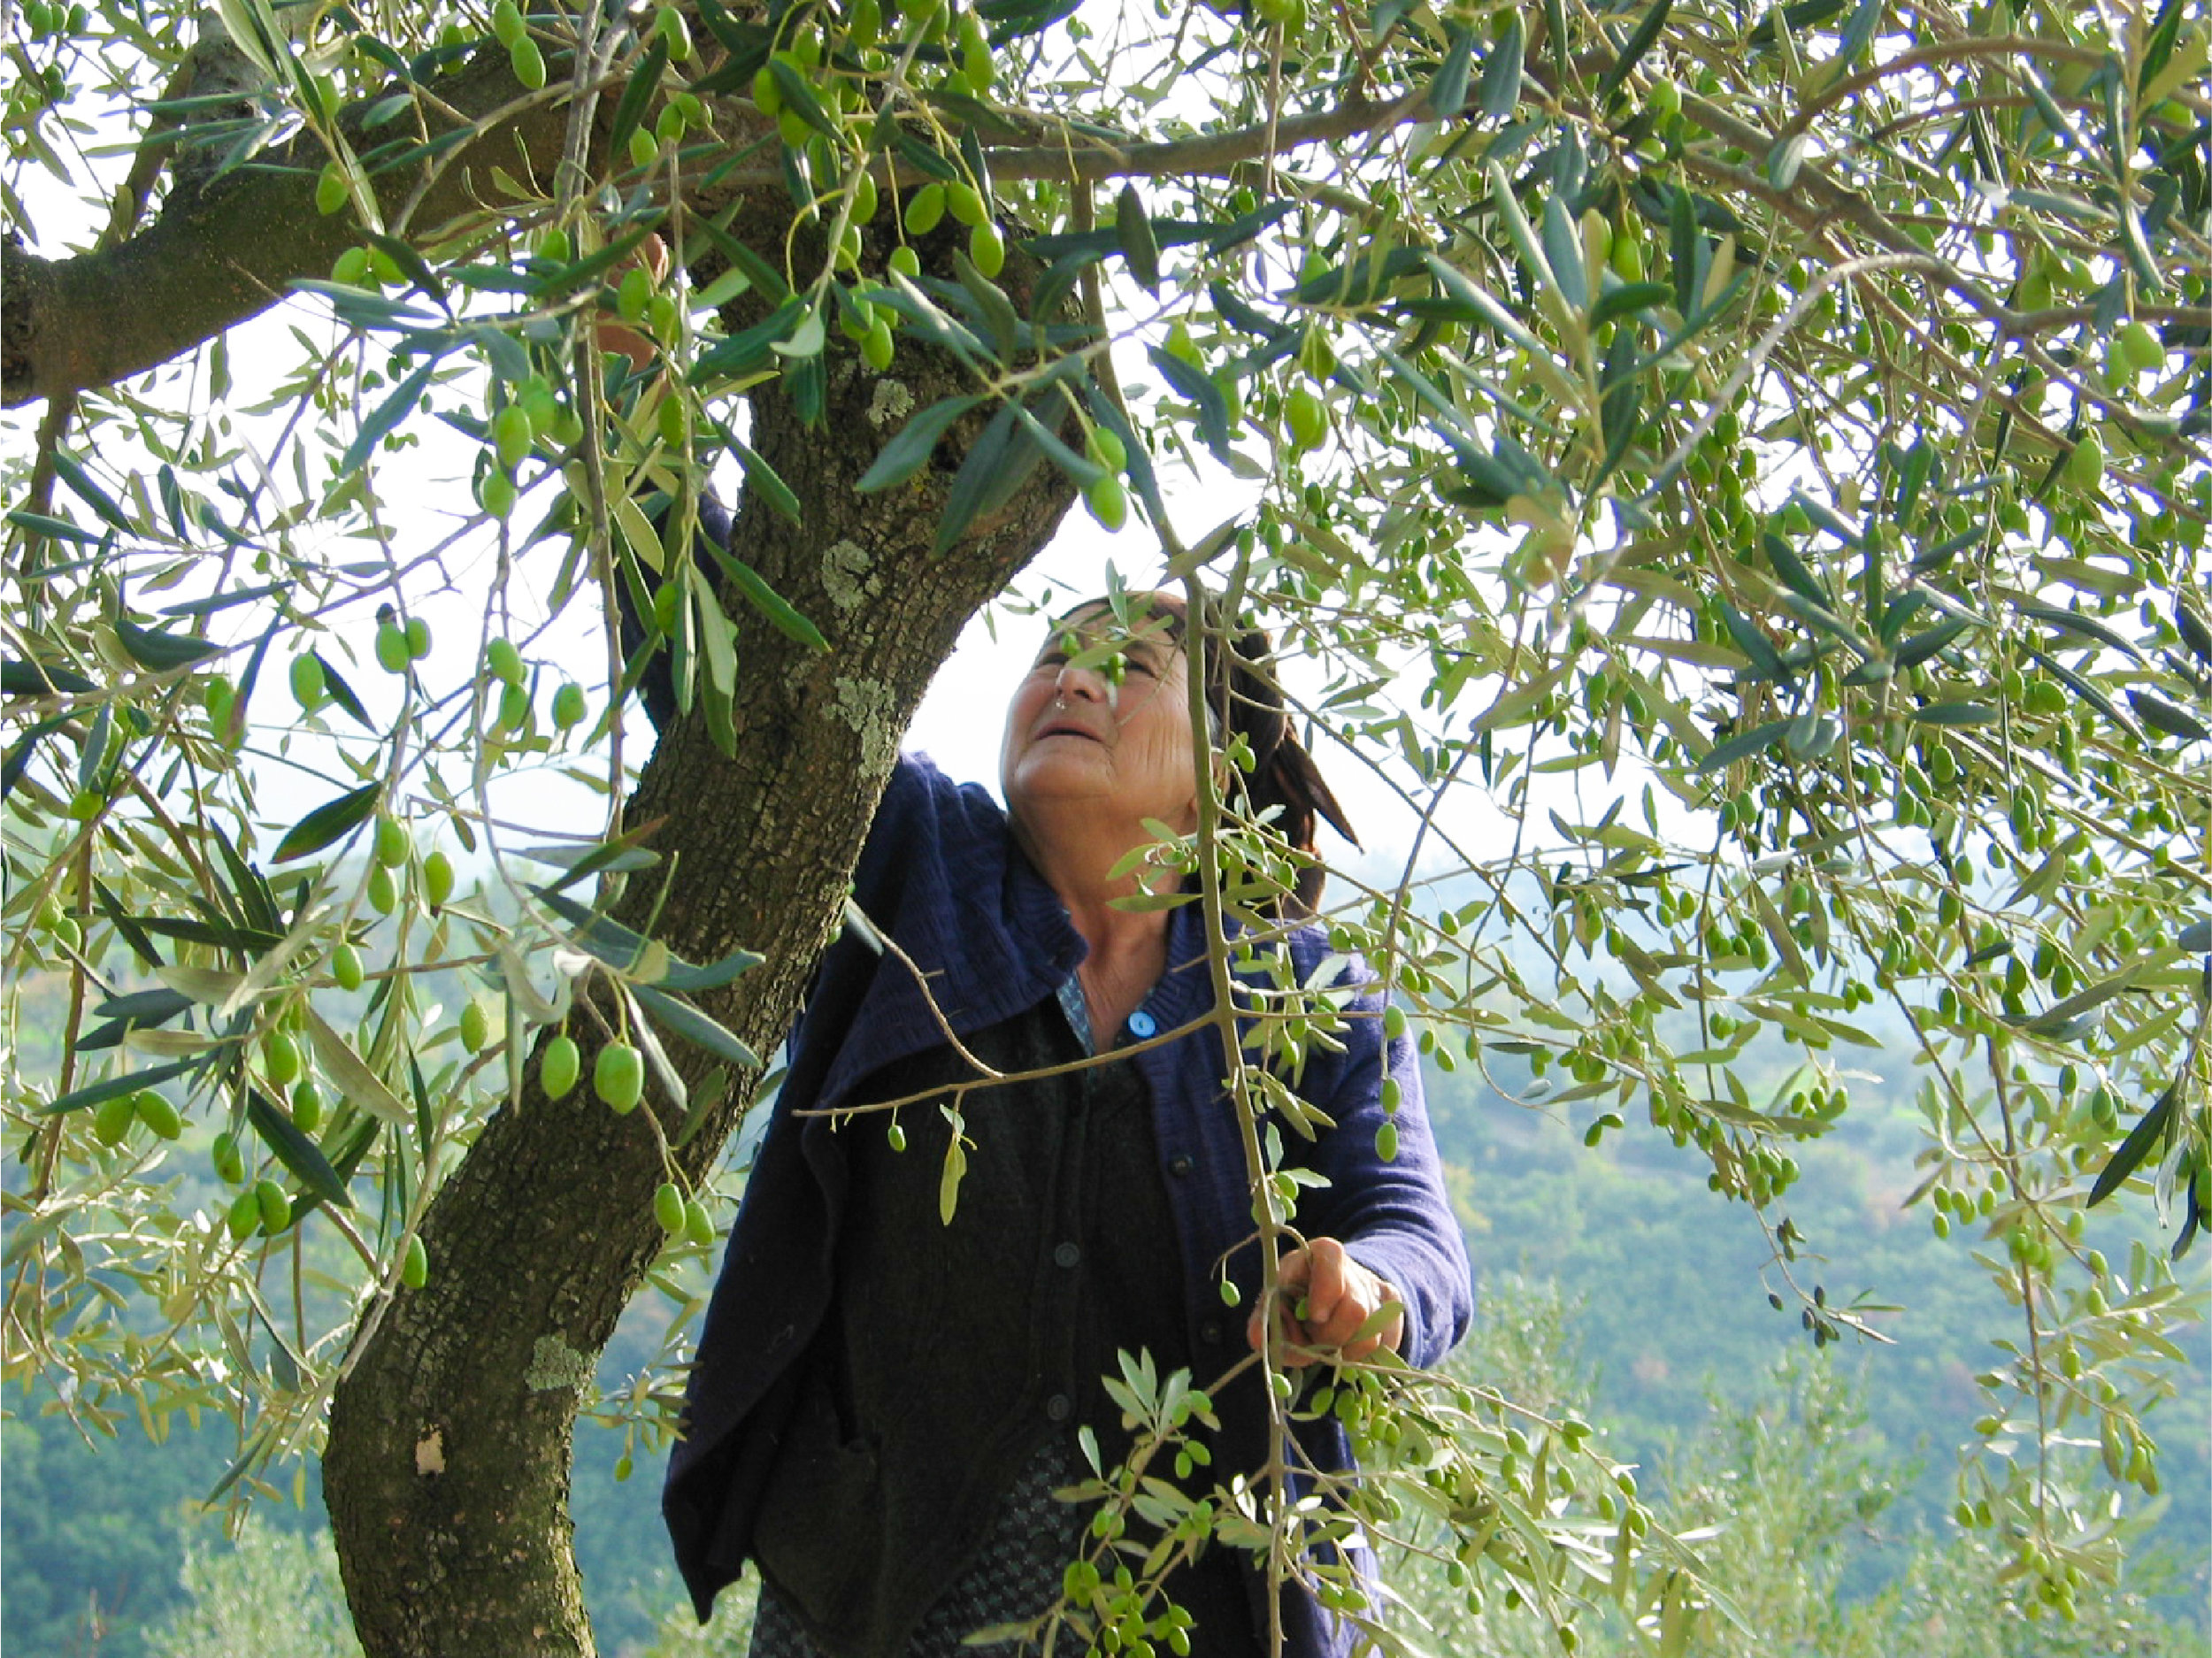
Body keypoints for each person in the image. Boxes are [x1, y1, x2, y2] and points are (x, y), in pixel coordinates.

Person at [661, 590, 1472, 1658]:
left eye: (1127, 667)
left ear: (1217, 778)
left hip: (1212, 1614)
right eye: (1054, 655)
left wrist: (1366, 1292)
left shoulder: (1307, 1001)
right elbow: (722, 650)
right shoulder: (912, 859)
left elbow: (1417, 1239)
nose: (1072, 680)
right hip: (873, 1601)